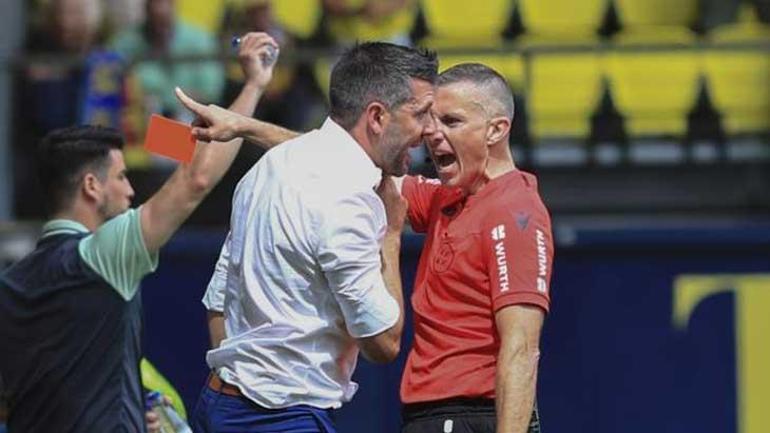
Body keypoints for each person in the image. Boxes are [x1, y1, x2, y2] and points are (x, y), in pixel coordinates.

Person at [176, 62, 552, 433]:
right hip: (430, 413)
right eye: (430, 119)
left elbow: (521, 349)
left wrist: (391, 237)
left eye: (451, 122)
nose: (431, 133)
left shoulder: (515, 212)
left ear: (496, 129)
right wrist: (244, 127)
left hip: (473, 412)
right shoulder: (447, 196)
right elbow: (339, 156)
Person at [0, 32, 279, 433]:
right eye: (121, 177)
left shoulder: (9, 286)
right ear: (92, 187)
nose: (130, 191)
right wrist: (252, 87)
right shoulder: (102, 256)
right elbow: (196, 179)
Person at [175, 42, 438, 433]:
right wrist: (391, 234)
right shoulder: (348, 200)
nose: (430, 129)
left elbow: (219, 302)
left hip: (219, 402)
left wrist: (243, 379)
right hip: (281, 418)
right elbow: (383, 343)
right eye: (420, 114)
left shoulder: (269, 166)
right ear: (377, 117)